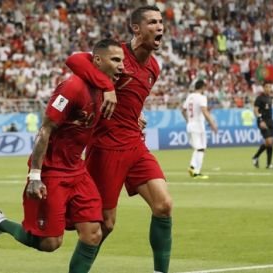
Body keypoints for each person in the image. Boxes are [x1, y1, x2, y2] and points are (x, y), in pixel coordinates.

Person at [0, 39, 124, 273]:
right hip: (51, 171)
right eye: (116, 60)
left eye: (122, 61)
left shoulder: (105, 89)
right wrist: (35, 175)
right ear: (97, 60)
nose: (121, 66)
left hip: (77, 170)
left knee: (93, 233)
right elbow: (45, 129)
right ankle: (0, 223)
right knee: (50, 243)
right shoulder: (72, 88)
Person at [65, 6, 172, 273]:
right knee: (104, 225)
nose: (159, 26)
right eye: (152, 22)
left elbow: (131, 99)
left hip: (135, 145)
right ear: (136, 29)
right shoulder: (117, 55)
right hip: (106, 147)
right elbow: (75, 60)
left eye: (161, 22)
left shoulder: (154, 67)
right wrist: (107, 86)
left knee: (164, 206)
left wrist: (136, 114)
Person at [181, 79, 218, 179]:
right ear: (202, 87)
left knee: (198, 148)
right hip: (198, 126)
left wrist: (188, 120)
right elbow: (205, 111)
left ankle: (194, 169)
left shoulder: (190, 97)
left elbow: (183, 110)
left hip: (190, 125)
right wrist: (212, 123)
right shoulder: (201, 97)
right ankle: (194, 169)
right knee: (200, 148)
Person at [252, 82, 273, 169]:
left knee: (270, 143)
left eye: (270, 87)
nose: (268, 89)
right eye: (266, 87)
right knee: (269, 142)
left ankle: (268, 164)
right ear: (263, 88)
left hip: (270, 121)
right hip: (263, 122)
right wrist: (260, 120)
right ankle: (256, 157)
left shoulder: (270, 98)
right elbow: (255, 110)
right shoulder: (259, 98)